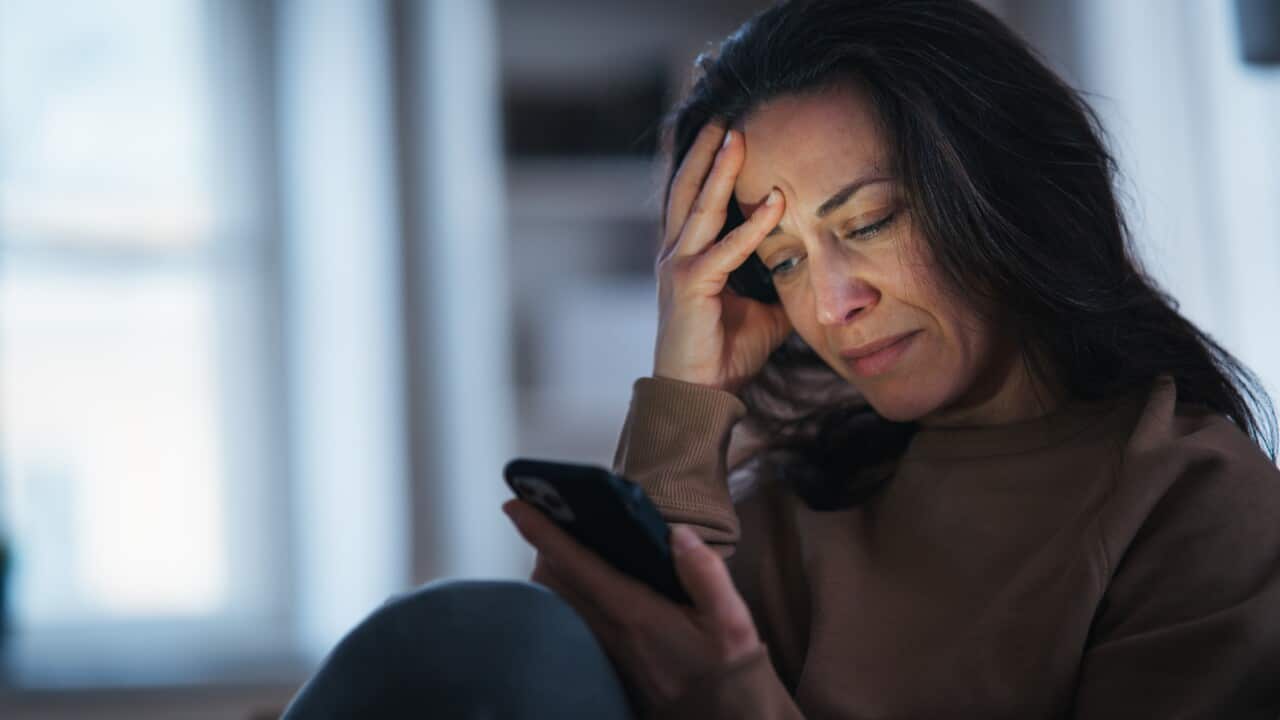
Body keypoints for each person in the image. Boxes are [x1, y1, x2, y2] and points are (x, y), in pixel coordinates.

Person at [283, 0, 1280, 718]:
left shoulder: (1190, 504)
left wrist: (735, 699)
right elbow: (557, 678)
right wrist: (683, 388)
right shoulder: (800, 507)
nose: (830, 303)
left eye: (870, 220)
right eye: (783, 260)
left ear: (1001, 188)